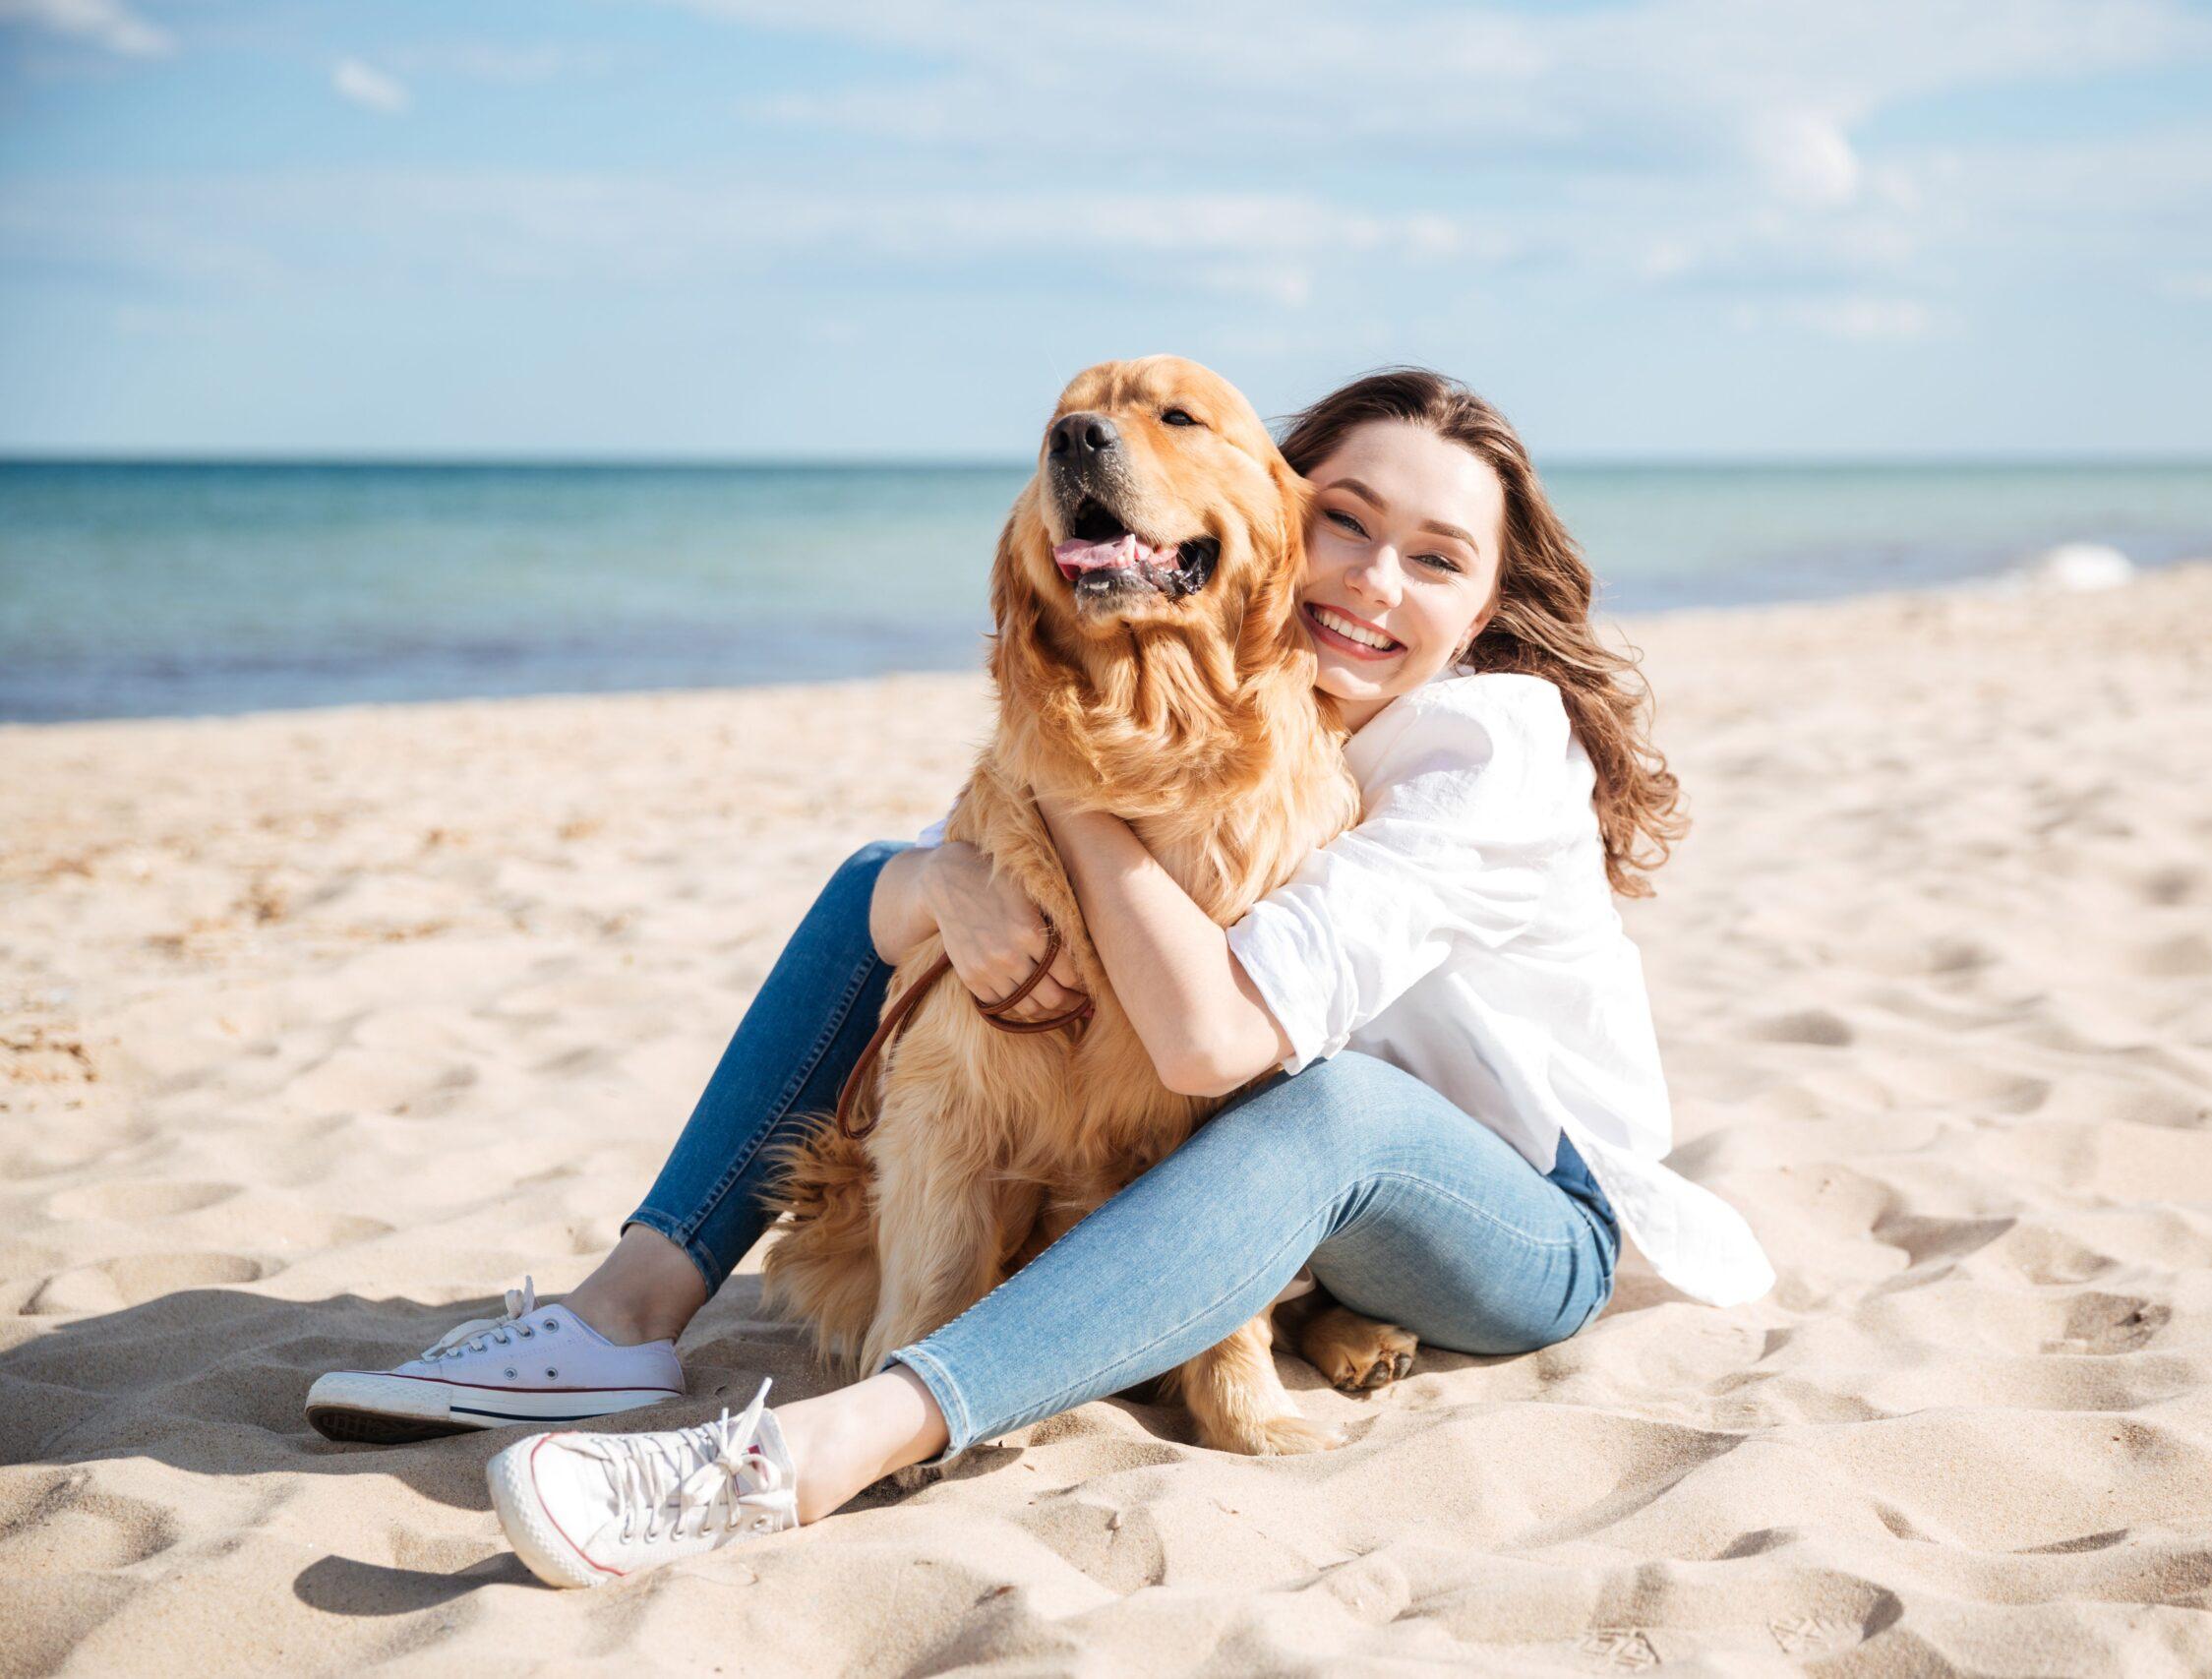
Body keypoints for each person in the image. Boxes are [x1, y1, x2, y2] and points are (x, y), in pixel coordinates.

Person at [305, 368, 1775, 1589]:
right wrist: (950, 879)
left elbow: (1208, 1045)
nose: (1374, 584)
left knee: (1311, 1107)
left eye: (1438, 559)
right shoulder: (1288, 723)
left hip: (1527, 1222)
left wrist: (1061, 786)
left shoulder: (1485, 745)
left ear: (1486, 602)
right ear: (1275, 518)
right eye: (1345, 522)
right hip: (1299, 1208)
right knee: (882, 882)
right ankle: (627, 1312)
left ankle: (832, 1447)